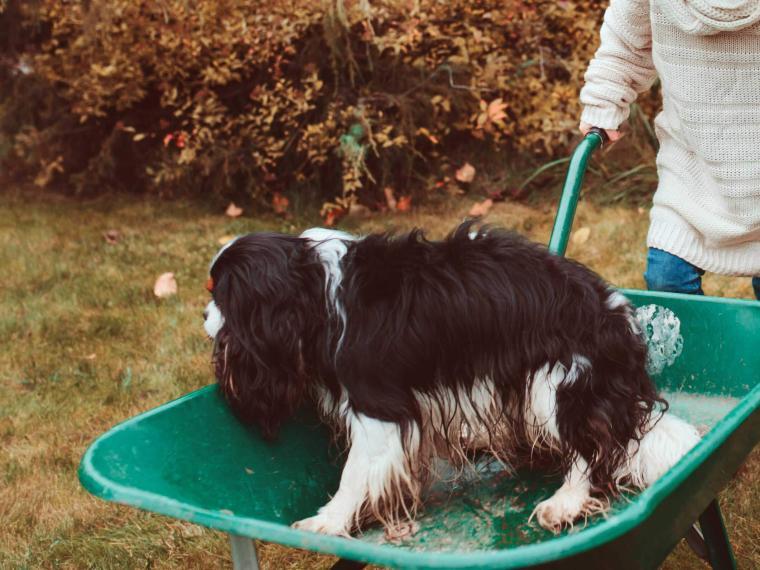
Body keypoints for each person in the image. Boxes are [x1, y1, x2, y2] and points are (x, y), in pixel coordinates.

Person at [578, 0, 760, 300]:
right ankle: (699, 348)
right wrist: (604, 100)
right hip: (692, 167)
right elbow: (626, 45)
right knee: (666, 278)